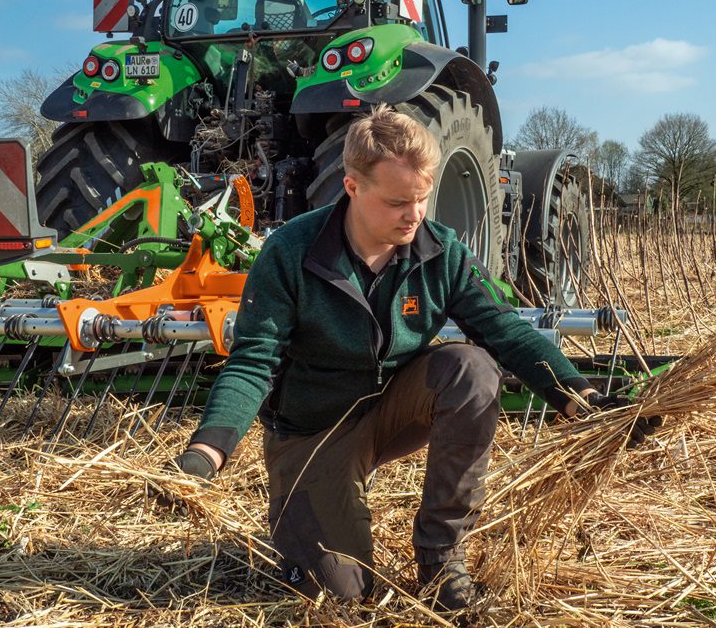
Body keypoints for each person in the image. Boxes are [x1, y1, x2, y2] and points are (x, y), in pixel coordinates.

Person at [164, 103, 656, 611]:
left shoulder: (441, 252)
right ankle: (317, 529)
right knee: (339, 597)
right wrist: (207, 450)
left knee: (470, 367)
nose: (415, 214)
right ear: (352, 187)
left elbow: (504, 329)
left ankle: (441, 554)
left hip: (393, 410)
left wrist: (577, 393)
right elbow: (253, 360)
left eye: (423, 198)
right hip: (313, 432)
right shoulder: (292, 252)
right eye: (399, 201)